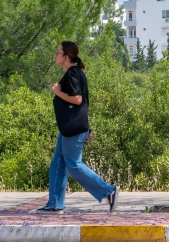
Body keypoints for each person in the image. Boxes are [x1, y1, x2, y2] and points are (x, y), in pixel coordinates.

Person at [36, 40, 118, 214]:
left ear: (66, 57)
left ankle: (108, 191)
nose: (55, 55)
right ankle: (55, 204)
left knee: (73, 164)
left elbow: (78, 99)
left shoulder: (72, 74)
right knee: (58, 164)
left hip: (73, 128)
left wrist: (58, 92)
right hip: (69, 128)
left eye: (58, 52)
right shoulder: (75, 73)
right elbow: (84, 103)